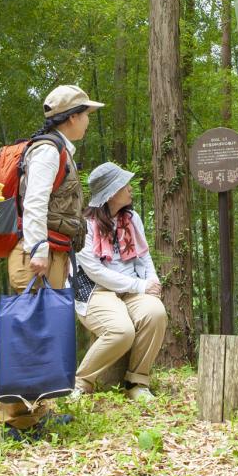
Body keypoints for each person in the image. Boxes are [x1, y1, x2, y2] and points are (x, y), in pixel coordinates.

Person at [0, 83, 102, 443]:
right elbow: (35, 202)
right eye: (86, 114)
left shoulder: (61, 150)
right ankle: (18, 423)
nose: (88, 120)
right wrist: (39, 248)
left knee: (41, 334)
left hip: (51, 253)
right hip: (37, 254)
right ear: (71, 117)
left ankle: (38, 413)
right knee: (27, 336)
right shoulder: (48, 151)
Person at [69, 161, 166, 401]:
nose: (130, 188)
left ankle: (137, 382)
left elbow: (144, 258)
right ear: (111, 193)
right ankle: (81, 382)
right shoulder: (85, 226)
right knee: (120, 330)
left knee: (156, 313)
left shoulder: (131, 220)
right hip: (96, 292)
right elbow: (95, 272)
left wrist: (152, 281)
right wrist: (140, 285)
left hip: (131, 289)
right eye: (125, 185)